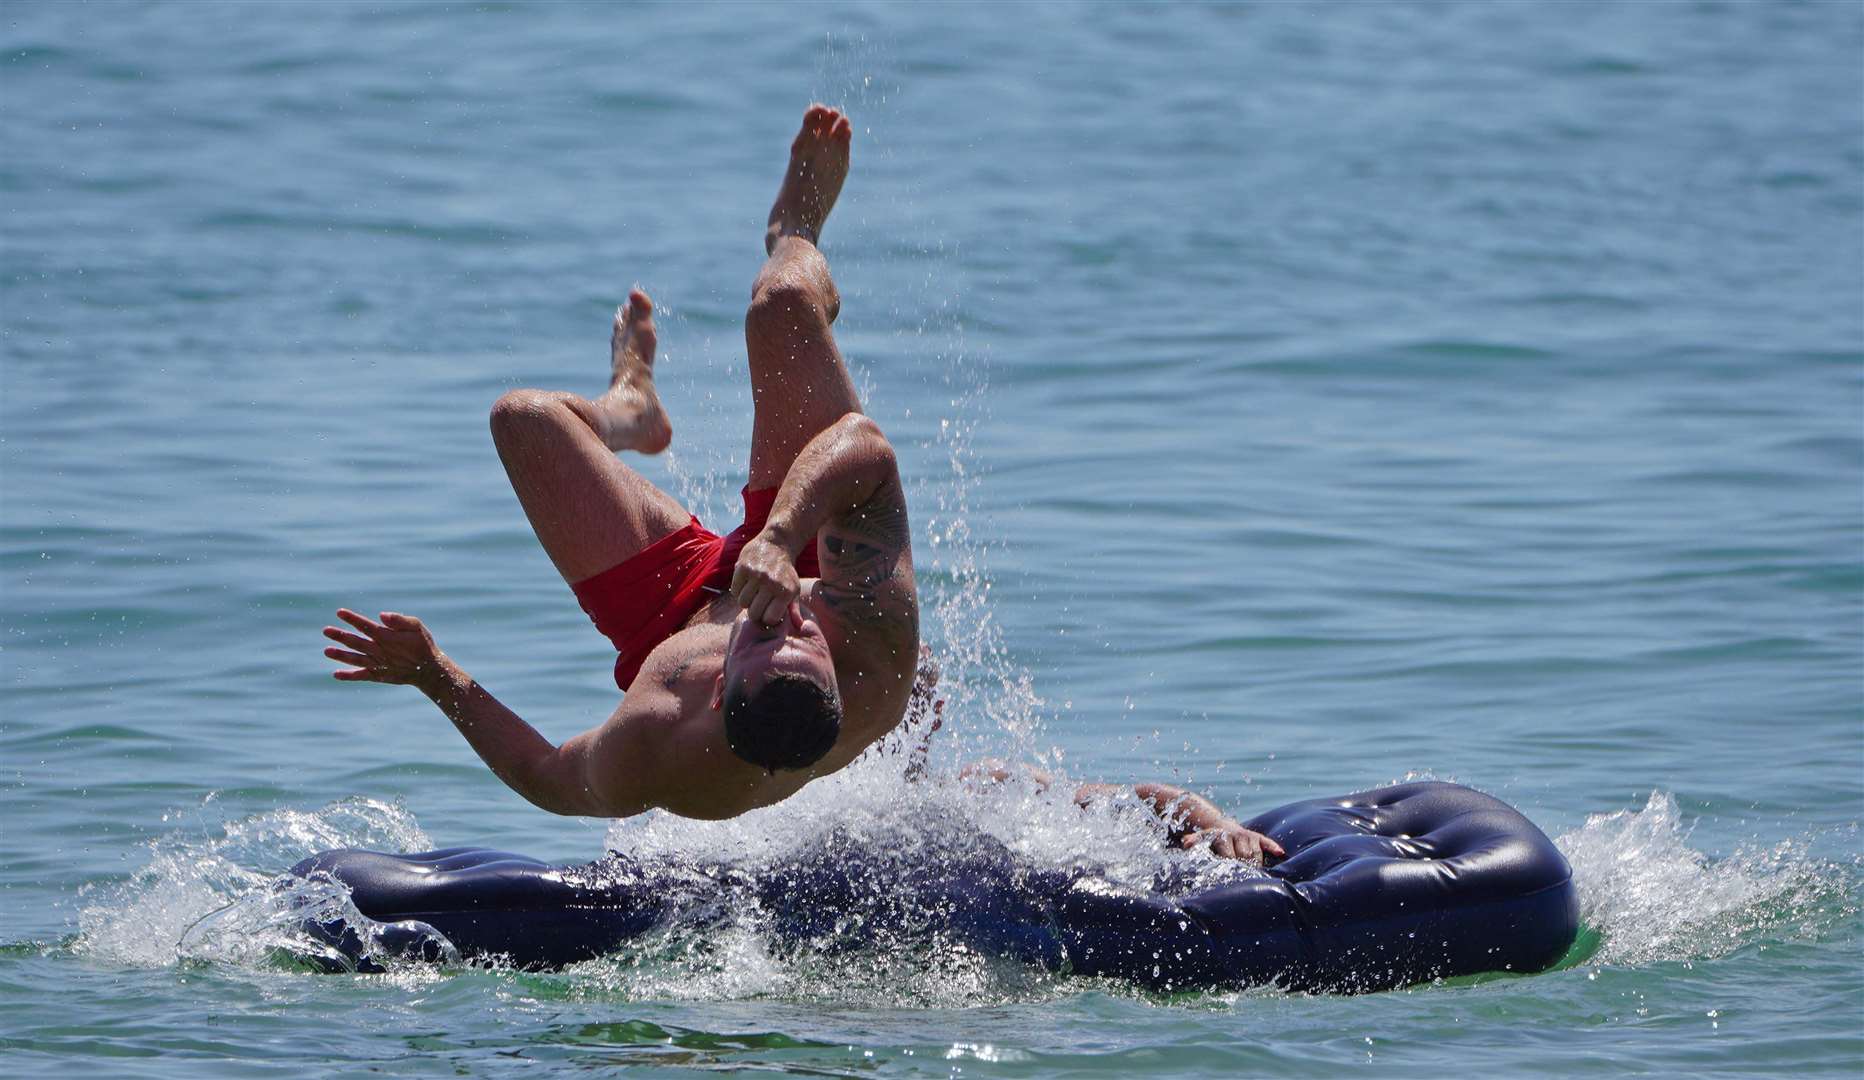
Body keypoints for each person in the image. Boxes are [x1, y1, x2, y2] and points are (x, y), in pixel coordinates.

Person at [322, 105, 919, 821]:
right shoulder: (873, 642)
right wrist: (782, 538)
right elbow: (865, 447)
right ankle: (792, 233)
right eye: (802, 632)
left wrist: (431, 671)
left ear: (716, 681)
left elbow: (546, 774)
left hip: (669, 615)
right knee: (783, 302)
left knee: (523, 420)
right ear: (831, 666)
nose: (781, 611)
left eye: (762, 634)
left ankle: (626, 404)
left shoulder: (662, 738)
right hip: (805, 542)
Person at [960, 760, 1287, 864]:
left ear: (936, 710)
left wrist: (1221, 825)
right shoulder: (955, 798)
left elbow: (1135, 799)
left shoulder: (983, 782)